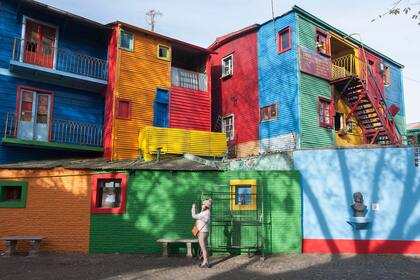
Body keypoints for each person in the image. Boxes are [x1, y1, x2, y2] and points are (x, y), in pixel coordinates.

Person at [191, 199, 212, 268]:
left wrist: (193, 208)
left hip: (202, 233)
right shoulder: (208, 212)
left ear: (206, 206)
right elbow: (199, 216)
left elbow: (194, 216)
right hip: (206, 232)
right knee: (205, 248)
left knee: (203, 248)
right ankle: (207, 262)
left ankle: (205, 262)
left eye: (203, 204)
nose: (202, 205)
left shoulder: (203, 213)